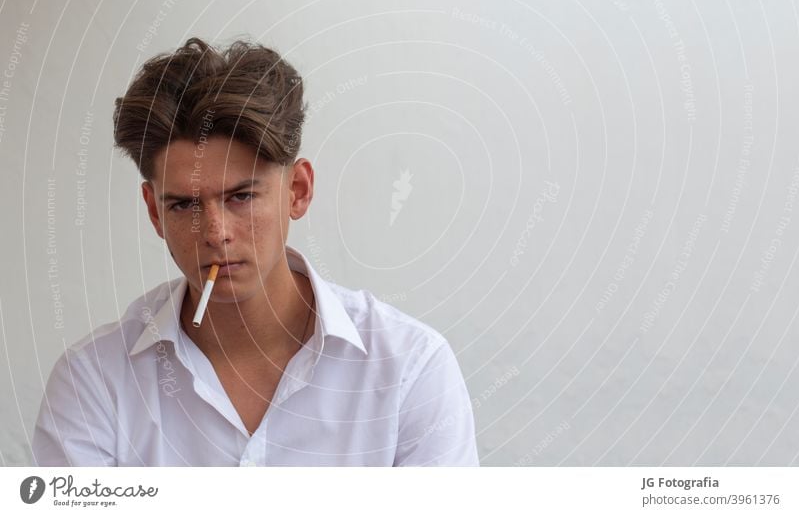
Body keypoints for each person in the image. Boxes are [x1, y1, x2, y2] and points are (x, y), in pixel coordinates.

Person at [32, 37, 479, 466]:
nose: (214, 232)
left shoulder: (408, 368)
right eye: (184, 204)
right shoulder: (93, 381)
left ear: (297, 192)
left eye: (240, 197)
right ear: (154, 211)